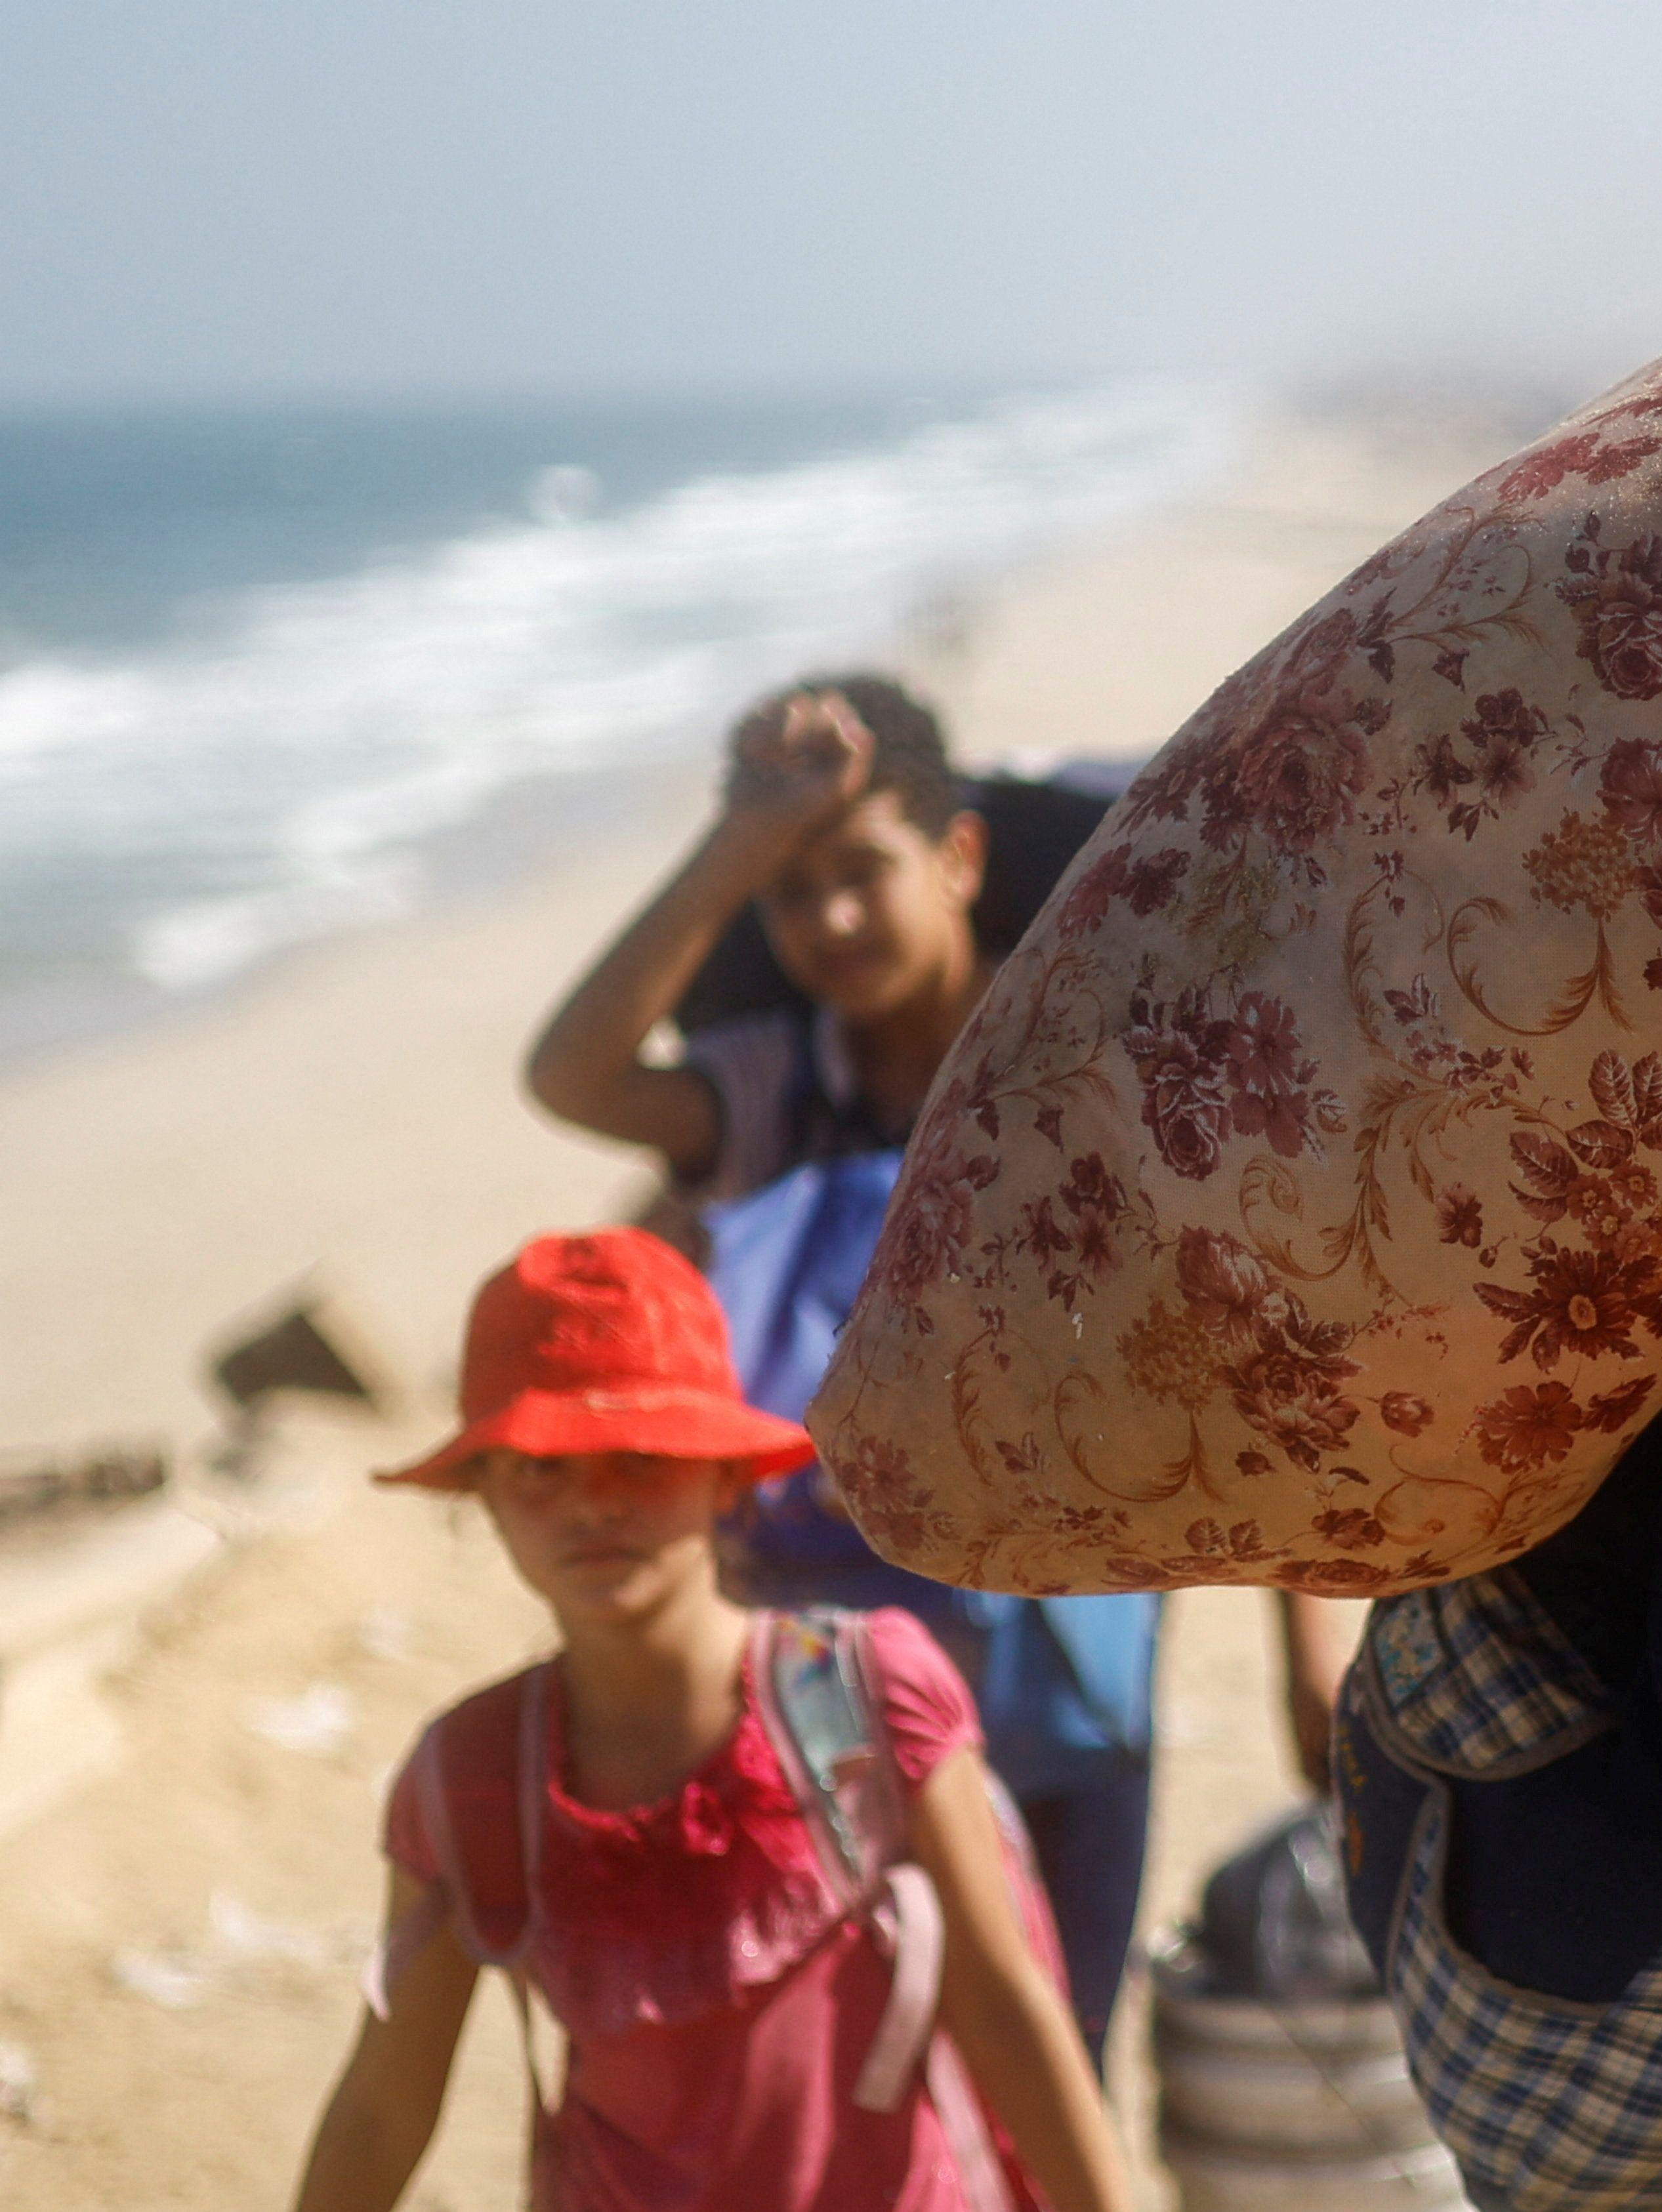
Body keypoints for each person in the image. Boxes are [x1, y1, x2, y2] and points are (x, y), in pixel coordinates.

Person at [525, 672, 1173, 2062]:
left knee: (1060, 2058)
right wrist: (735, 841)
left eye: (860, 872)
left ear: (961, 858)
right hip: (827, 1702)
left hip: (1075, 1675)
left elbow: (1228, 1340)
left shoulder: (1087, 1064)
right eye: (789, 891)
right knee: (858, 2086)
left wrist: (1308, 1654)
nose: (825, 920)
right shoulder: (770, 1095)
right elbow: (572, 1077)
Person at [290, 1229, 1131, 2212]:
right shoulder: (471, 1779)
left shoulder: (865, 1693)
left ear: (726, 1476)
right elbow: (385, 2109)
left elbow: (1006, 2012)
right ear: (483, 1497)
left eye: (640, 1457)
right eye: (541, 1469)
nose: (592, 1507)